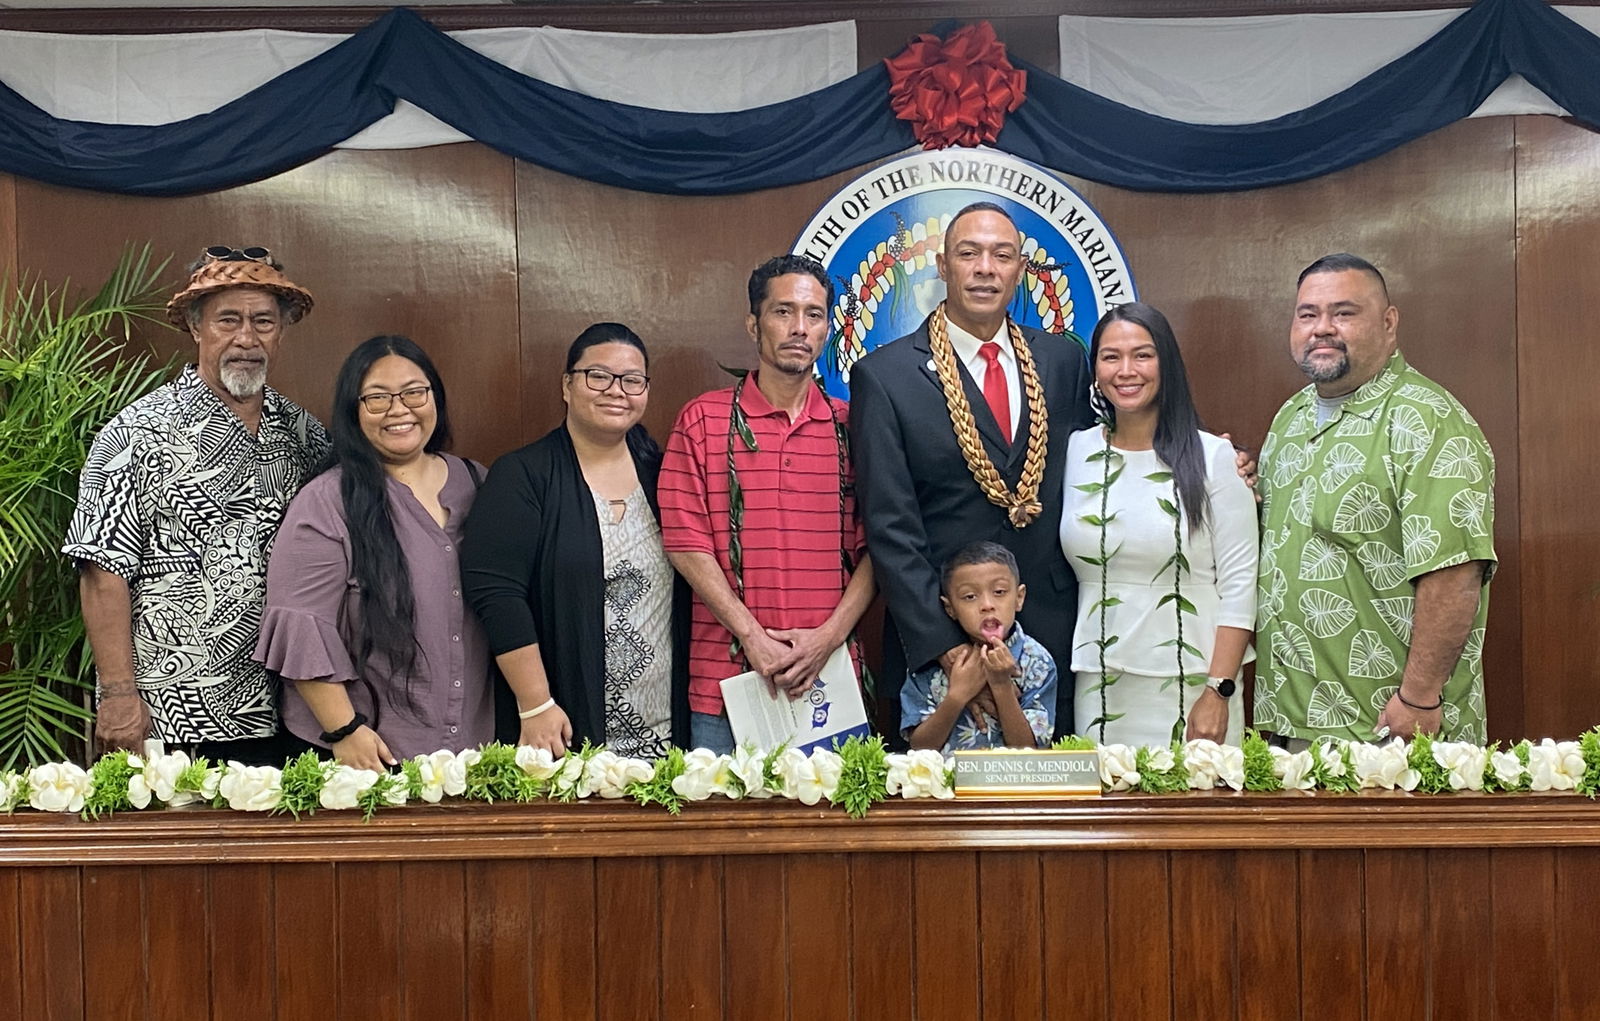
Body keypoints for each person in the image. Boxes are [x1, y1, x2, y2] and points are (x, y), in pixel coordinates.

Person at [64, 246, 328, 763]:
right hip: (174, 710)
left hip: (297, 703)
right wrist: (118, 695)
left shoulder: (306, 435)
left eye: (263, 322)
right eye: (227, 320)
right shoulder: (137, 433)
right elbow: (101, 571)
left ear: (283, 331)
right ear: (195, 327)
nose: (246, 339)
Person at [849, 202, 1094, 741]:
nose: (986, 268)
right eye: (969, 253)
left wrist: (1208, 453)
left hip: (1049, 637)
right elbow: (891, 527)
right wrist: (952, 651)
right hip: (941, 650)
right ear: (942, 265)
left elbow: (1102, 459)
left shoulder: (1062, 361)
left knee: (1050, 818)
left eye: (1001, 255)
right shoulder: (885, 376)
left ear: (1020, 271)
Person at [1255, 254, 1496, 745]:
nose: (1322, 328)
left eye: (1344, 313)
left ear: (1389, 324)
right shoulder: (1290, 418)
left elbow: (1453, 573)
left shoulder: (1428, 422)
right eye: (1308, 314)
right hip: (1290, 720)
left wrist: (1419, 698)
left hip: (1390, 728)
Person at [658, 255, 875, 753]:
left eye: (814, 314)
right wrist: (754, 639)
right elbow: (686, 545)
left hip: (830, 683)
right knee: (721, 832)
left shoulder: (855, 427)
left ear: (827, 330)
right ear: (753, 324)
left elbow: (879, 551)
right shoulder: (702, 420)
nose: (799, 328)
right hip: (726, 688)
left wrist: (826, 640)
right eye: (783, 312)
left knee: (832, 831)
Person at [255, 335, 490, 767]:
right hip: (371, 756)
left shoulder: (479, 484)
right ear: (353, 411)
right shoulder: (327, 502)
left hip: (476, 756)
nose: (400, 409)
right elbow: (302, 627)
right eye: (378, 398)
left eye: (415, 392)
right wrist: (345, 731)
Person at [461, 323, 687, 758]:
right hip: (560, 728)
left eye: (632, 380)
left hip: (665, 732)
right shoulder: (523, 475)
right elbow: (496, 592)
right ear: (567, 385)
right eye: (597, 376)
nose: (616, 390)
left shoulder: (665, 475)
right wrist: (536, 703)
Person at [1059, 303, 1258, 747]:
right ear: (1095, 371)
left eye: (1142, 355)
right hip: (1099, 681)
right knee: (1108, 815)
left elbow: (1241, 584)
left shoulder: (1216, 459)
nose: (1126, 370)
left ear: (1166, 363)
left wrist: (1218, 690)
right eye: (1111, 357)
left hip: (1196, 684)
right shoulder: (1075, 452)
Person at [901, 542, 1056, 753]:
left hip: (1011, 784)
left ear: (1019, 598)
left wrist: (1001, 685)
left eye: (999, 591)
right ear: (950, 608)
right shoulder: (931, 664)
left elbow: (1028, 750)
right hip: (948, 782)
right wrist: (957, 695)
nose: (987, 605)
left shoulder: (1037, 661)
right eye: (970, 596)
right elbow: (920, 747)